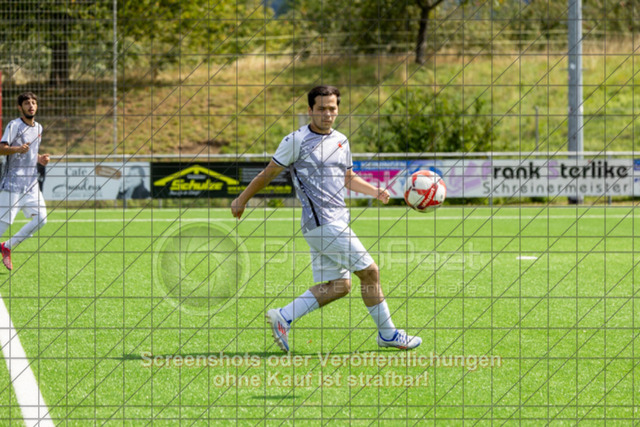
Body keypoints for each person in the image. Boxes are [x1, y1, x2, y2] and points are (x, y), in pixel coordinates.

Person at [231, 85, 421, 352]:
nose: (327, 114)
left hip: (334, 222)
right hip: (322, 223)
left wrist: (375, 191)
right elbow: (269, 172)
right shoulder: (296, 140)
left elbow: (348, 178)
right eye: (321, 109)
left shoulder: (342, 140)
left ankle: (283, 316)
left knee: (340, 286)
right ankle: (388, 334)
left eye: (332, 108)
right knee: (370, 272)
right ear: (310, 110)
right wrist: (242, 198)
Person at [0, 92, 50, 271]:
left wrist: (39, 159)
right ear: (20, 107)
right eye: (27, 103)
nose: (31, 105)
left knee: (41, 219)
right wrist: (17, 149)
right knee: (2, 226)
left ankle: (7, 246)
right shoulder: (14, 125)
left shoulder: (39, 128)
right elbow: (2, 149)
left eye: (33, 102)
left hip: (31, 185)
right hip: (13, 184)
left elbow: (30, 152)